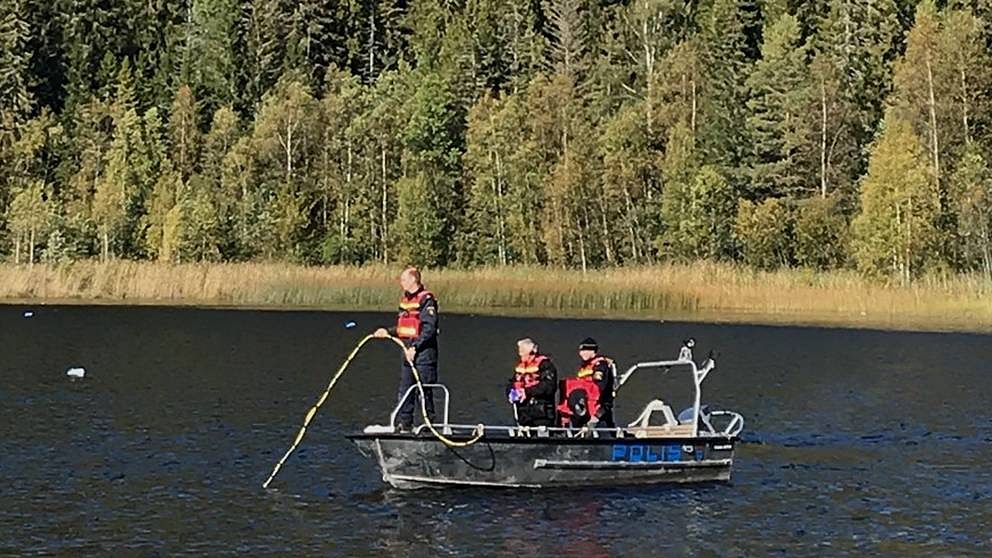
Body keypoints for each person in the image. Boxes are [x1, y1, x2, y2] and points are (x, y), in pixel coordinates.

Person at [374, 267, 438, 432]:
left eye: (403, 279)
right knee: (405, 391)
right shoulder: (405, 302)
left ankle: (428, 426)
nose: (400, 282)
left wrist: (415, 347)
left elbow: (429, 328)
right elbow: (404, 327)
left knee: (424, 392)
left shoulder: (427, 300)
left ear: (413, 280)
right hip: (407, 354)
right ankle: (405, 424)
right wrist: (387, 332)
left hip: (423, 355)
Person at [559, 337, 615, 429]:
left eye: (585, 350)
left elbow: (600, 387)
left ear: (593, 351)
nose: (581, 353)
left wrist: (596, 413)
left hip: (599, 405)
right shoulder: (585, 366)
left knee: (601, 426)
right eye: (581, 350)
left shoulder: (600, 365)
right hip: (584, 404)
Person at [507, 338, 558, 427]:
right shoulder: (520, 367)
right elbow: (512, 382)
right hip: (523, 414)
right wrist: (511, 392)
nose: (520, 354)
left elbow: (549, 387)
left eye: (522, 351)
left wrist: (527, 391)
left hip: (541, 413)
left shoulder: (546, 365)